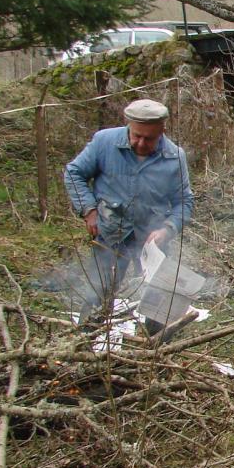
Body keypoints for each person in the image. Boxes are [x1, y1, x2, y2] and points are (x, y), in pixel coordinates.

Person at [63, 98, 195, 312]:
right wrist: (89, 210)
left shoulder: (174, 157)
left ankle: (156, 344)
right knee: (98, 294)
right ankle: (87, 339)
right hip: (110, 235)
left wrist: (167, 229)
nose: (141, 144)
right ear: (128, 126)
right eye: (137, 136)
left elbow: (184, 202)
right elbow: (73, 173)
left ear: (162, 130)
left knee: (160, 301)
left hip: (152, 243)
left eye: (149, 139)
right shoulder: (104, 142)